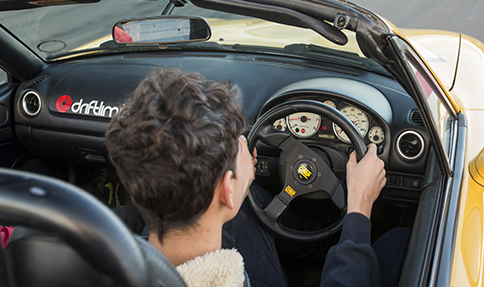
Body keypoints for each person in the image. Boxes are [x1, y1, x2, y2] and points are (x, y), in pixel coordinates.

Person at [105, 68, 394, 287]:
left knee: (249, 209)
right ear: (225, 191)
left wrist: (236, 183)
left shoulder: (101, 260)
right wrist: (359, 205)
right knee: (398, 241)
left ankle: (319, 248)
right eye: (239, 144)